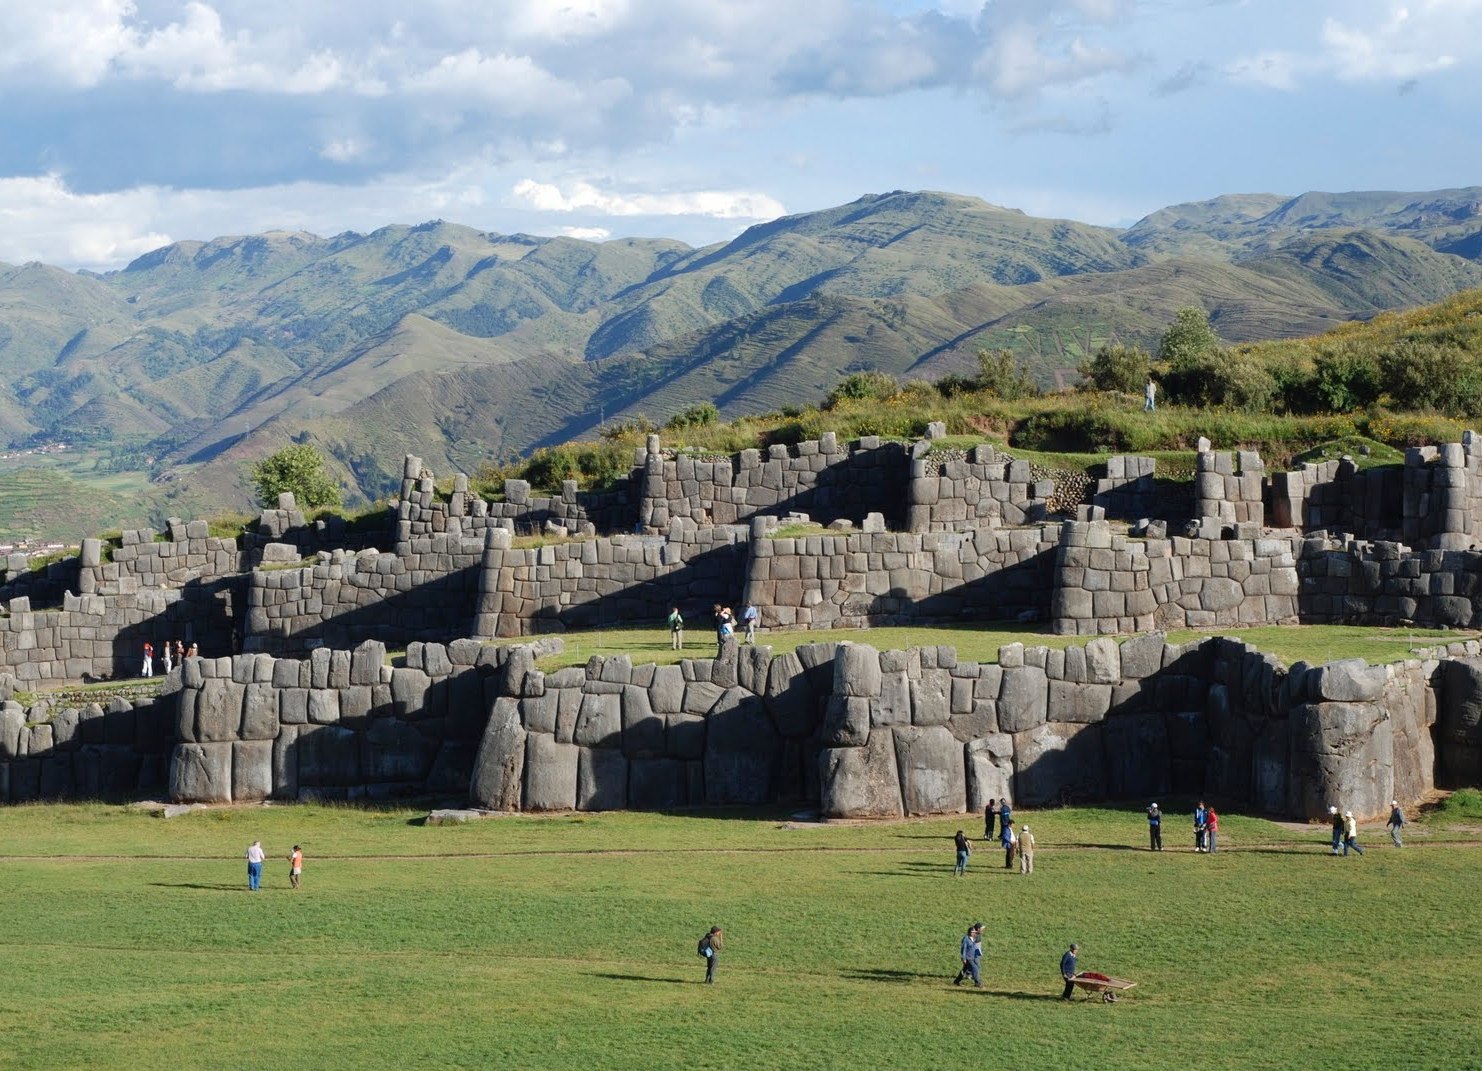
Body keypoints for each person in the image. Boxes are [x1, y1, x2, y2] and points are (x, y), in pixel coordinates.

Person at [953, 923, 984, 987]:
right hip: (968, 958)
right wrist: (963, 958)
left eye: (975, 932)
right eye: (973, 932)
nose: (974, 933)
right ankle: (977, 983)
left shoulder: (973, 938)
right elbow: (963, 949)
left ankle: (956, 981)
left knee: (964, 970)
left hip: (972, 957)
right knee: (975, 968)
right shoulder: (966, 939)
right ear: (970, 932)